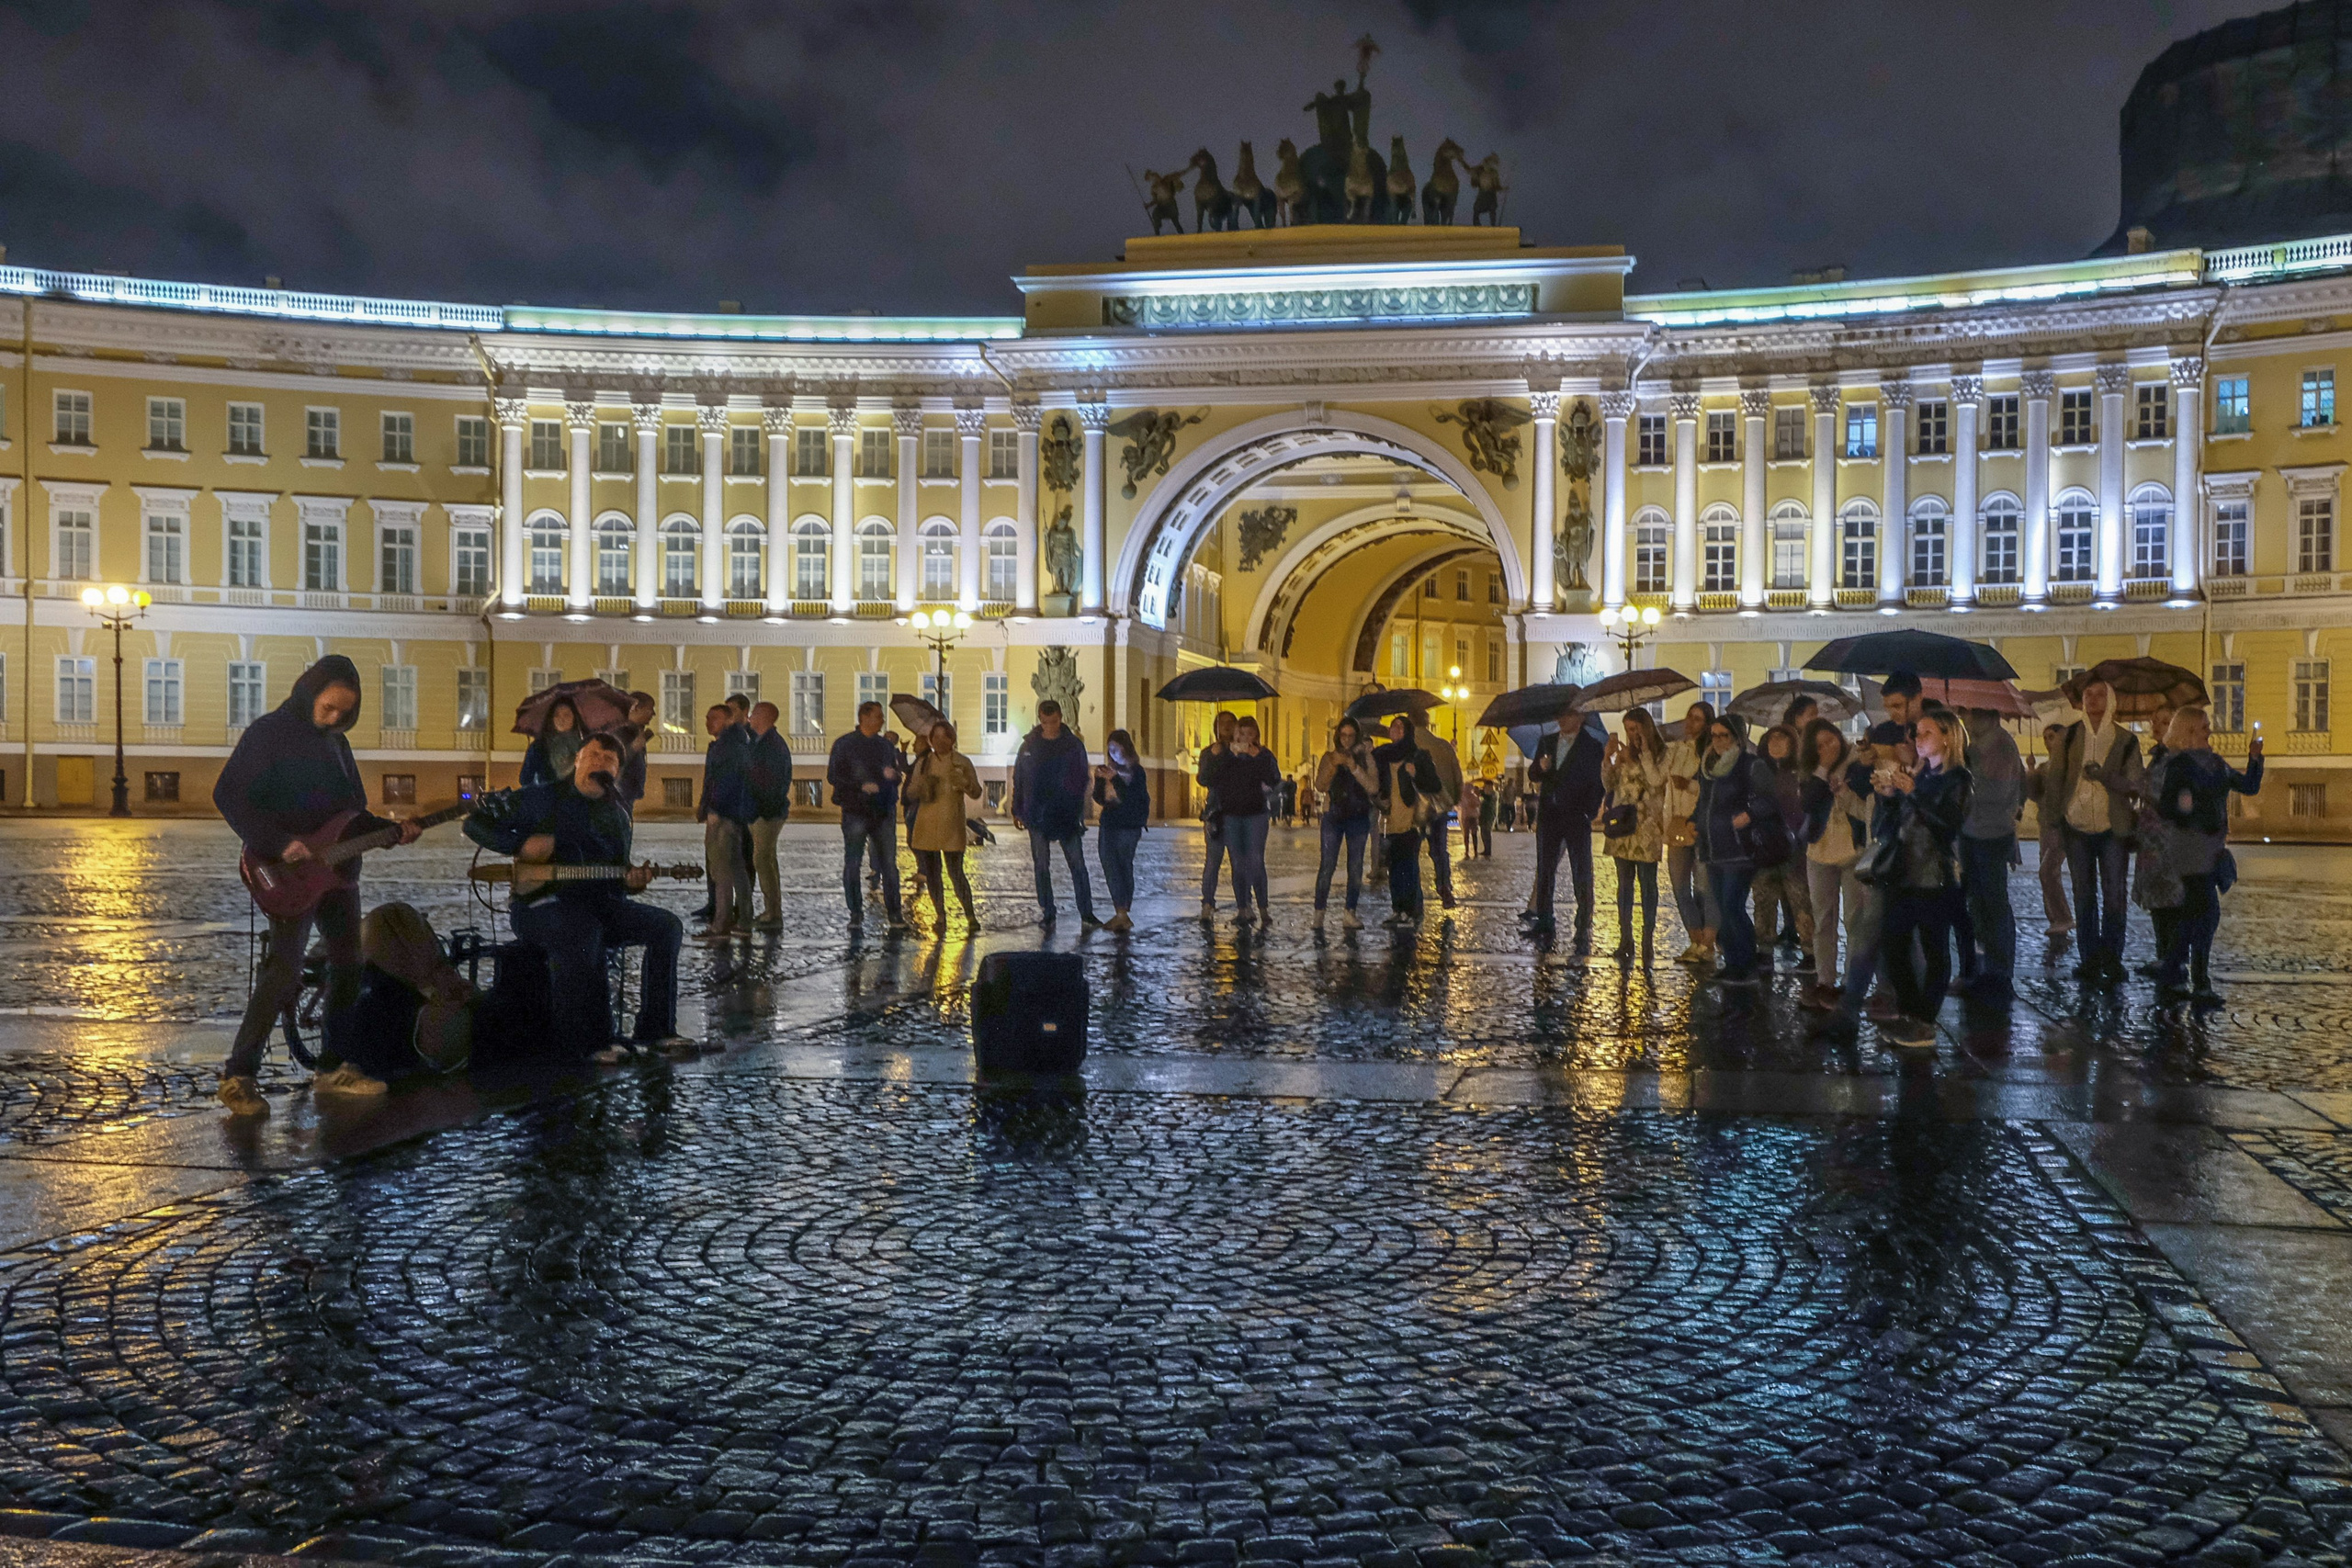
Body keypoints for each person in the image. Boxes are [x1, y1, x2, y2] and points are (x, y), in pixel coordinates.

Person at [212, 655, 422, 1115]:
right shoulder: (269, 734)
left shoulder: (338, 747)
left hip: (338, 874)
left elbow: (352, 813)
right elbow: (228, 795)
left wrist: (391, 832)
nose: (334, 718)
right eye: (328, 708)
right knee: (284, 970)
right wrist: (279, 842)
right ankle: (238, 1075)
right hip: (283, 869)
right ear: (309, 692)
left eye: (344, 713)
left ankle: (333, 1068)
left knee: (349, 965)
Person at [464, 729, 690, 1060]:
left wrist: (633, 882)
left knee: (666, 926)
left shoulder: (617, 814)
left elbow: (617, 876)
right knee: (583, 931)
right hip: (538, 907)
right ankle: (589, 1041)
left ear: (616, 772)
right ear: (577, 760)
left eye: (609, 760)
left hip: (598, 905)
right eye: (594, 755)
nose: (600, 762)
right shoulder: (540, 798)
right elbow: (475, 823)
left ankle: (657, 1030)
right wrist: (519, 845)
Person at [1872, 709, 1974, 1045]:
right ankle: (1912, 1012)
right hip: (1903, 873)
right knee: (1892, 945)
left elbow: (1947, 825)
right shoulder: (1921, 775)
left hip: (1935, 877)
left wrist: (1912, 791)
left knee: (1934, 950)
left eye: (1926, 733)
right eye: (1916, 733)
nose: (1917, 739)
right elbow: (1892, 827)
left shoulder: (1958, 779)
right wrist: (1887, 797)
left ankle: (1924, 1019)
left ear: (1948, 736)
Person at [2153, 707, 2264, 1003]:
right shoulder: (2180, 765)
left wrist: (2255, 759)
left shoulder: (2216, 763)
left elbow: (2248, 787)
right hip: (2189, 847)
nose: (2209, 731)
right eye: (2204, 727)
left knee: (2195, 915)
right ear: (2188, 732)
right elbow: (2166, 808)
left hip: (2212, 846)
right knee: (2207, 913)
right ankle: (2198, 981)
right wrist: (2184, 807)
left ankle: (2173, 968)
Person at [2049, 680, 2143, 985]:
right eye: (2088, 694)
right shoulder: (2069, 735)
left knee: (2114, 895)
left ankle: (2112, 958)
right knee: (2084, 894)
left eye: (2100, 693)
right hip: (2075, 825)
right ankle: (2089, 958)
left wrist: (2106, 777)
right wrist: (2053, 821)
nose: (2092, 699)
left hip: (2112, 827)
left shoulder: (2125, 740)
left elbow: (2134, 784)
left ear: (2111, 699)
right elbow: (2056, 780)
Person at [1953, 706, 2025, 998]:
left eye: (1968, 713)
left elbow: (1995, 793)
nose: (1964, 718)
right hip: (1973, 832)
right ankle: (1982, 970)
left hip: (1991, 835)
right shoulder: (1976, 745)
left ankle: (1998, 974)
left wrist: (1964, 774)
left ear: (1987, 715)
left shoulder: (2000, 745)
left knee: (1993, 905)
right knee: (1978, 906)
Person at [1798, 719, 1870, 1010]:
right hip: (1819, 850)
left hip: (1852, 849)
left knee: (1854, 920)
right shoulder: (1810, 773)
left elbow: (1866, 802)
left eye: (1832, 740)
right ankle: (1825, 981)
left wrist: (1843, 787)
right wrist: (1822, 770)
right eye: (1820, 745)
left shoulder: (1857, 763)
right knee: (1823, 919)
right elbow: (1806, 803)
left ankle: (1851, 984)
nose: (1829, 747)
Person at [1691, 714, 1765, 985]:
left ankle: (1747, 965)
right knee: (1723, 906)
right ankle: (1734, 962)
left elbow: (1768, 800)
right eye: (1715, 735)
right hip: (1712, 847)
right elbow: (1704, 802)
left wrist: (1749, 814)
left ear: (1737, 737)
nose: (1719, 741)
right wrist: (1694, 822)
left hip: (1739, 848)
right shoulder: (1709, 766)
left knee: (1733, 906)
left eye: (1725, 735)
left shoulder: (1749, 764)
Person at [1013, 698, 1099, 927]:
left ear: (1060, 718)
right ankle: (1047, 911)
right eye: (1044, 722)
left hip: (1066, 814)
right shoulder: (1029, 746)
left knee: (1077, 864)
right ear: (1039, 719)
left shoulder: (1072, 745)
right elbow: (1019, 777)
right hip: (1037, 813)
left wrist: (1074, 803)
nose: (1048, 726)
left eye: (1052, 722)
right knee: (1041, 864)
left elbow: (1082, 777)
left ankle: (1086, 912)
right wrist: (1017, 808)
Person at [1528, 700, 1607, 940]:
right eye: (1560, 715)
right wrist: (1541, 767)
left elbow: (1598, 783)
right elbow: (1533, 773)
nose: (1562, 719)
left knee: (1581, 870)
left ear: (1581, 718)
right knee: (1545, 869)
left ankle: (1583, 921)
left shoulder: (1591, 747)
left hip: (1576, 815)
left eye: (1568, 715)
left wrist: (1589, 812)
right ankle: (1544, 919)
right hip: (1549, 815)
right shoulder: (1547, 742)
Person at [827, 700, 904, 931]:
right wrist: (860, 786)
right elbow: (833, 776)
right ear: (865, 717)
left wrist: (894, 776)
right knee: (853, 862)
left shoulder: (885, 746)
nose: (882, 720)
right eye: (878, 716)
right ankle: (855, 912)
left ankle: (895, 913)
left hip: (883, 810)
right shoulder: (845, 744)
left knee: (889, 864)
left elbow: (896, 775)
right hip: (855, 810)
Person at [1600, 707, 1668, 965]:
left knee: (1648, 885)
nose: (1632, 734)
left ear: (1646, 728)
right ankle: (1625, 937)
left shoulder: (1660, 754)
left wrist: (1642, 757)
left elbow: (1656, 781)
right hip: (1623, 827)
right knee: (1624, 885)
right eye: (1628, 729)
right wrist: (1609, 760)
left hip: (1647, 827)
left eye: (1636, 729)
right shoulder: (1624, 754)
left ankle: (1647, 939)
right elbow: (1609, 786)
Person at [1747, 724, 1815, 970]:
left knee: (1801, 902)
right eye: (1772, 739)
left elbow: (1808, 807)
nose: (1776, 743)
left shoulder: (1801, 772)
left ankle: (1810, 952)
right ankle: (1764, 950)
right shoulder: (1756, 771)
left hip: (1794, 850)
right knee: (1764, 901)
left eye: (1782, 739)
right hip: (1764, 846)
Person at [908, 719, 982, 929]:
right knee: (932, 875)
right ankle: (940, 915)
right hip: (927, 825)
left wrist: (964, 782)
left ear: (952, 739)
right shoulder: (924, 763)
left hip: (952, 825)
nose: (940, 741)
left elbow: (976, 792)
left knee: (956, 873)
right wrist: (922, 786)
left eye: (945, 736)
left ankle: (970, 915)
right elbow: (910, 792)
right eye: (936, 737)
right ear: (931, 740)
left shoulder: (962, 762)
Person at [2131, 702, 2182, 981]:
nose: (2156, 726)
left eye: (2164, 721)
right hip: (2151, 840)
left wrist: (2145, 793)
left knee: (2171, 902)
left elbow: (2171, 801)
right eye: (2154, 720)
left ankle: (2174, 960)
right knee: (2158, 903)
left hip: (2169, 841)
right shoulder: (2159, 757)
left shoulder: (2178, 759)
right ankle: (2164, 956)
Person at [1312, 717, 1380, 930]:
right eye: (1343, 735)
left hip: (1359, 816)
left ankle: (1350, 912)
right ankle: (1319, 913)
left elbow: (1373, 787)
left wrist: (1353, 767)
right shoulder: (1329, 757)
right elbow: (1320, 785)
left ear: (1357, 736)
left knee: (1356, 866)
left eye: (1351, 735)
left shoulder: (1366, 758)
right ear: (1337, 736)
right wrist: (1333, 766)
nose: (1347, 740)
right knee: (1327, 866)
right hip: (1334, 816)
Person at [695, 704, 754, 942]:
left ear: (729, 720)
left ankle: (721, 923)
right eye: (708, 718)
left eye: (715, 718)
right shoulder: (735, 743)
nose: (709, 722)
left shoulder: (727, 746)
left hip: (723, 815)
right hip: (733, 814)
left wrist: (714, 809)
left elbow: (723, 781)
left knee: (721, 872)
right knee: (737, 868)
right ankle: (745, 920)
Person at [1662, 702, 1715, 964]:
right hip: (1677, 823)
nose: (1690, 723)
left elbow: (1712, 790)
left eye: (1697, 719)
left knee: (1705, 888)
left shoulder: (1710, 753)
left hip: (1703, 825)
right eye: (1689, 717)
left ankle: (1708, 943)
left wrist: (1690, 785)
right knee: (1680, 886)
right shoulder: (1678, 750)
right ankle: (1695, 941)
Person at [1374, 715, 1436, 927]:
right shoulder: (1382, 755)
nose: (1396, 730)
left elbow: (1433, 785)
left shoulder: (1417, 755)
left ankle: (1410, 911)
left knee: (1407, 868)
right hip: (1390, 820)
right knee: (1394, 868)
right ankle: (1397, 910)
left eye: (1401, 727)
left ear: (1408, 731)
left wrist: (1416, 774)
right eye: (1393, 726)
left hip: (1411, 821)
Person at [1222, 715, 1282, 926]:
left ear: (1255, 735)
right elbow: (1216, 778)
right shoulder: (1228, 754)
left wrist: (1256, 757)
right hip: (1232, 814)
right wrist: (1225, 755)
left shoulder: (1264, 755)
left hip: (1256, 814)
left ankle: (1263, 907)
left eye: (1249, 734)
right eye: (1241, 733)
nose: (1245, 738)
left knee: (1256, 861)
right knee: (1237, 863)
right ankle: (1243, 908)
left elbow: (1274, 779)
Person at [1092, 729, 1150, 931]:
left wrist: (1115, 778)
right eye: (1110, 749)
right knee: (1110, 865)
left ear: (1126, 748)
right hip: (1109, 823)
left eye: (1116, 748)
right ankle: (1121, 912)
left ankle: (1122, 912)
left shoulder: (1136, 771)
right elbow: (1099, 799)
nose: (1113, 753)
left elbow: (1130, 798)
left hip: (1128, 826)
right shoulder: (1110, 769)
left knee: (1124, 866)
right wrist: (1099, 780)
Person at [1409, 712, 1467, 910]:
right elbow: (1457, 776)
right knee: (1440, 851)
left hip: (1414, 807)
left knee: (1411, 852)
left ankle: (1414, 896)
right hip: (1440, 806)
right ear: (1427, 723)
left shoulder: (1407, 746)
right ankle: (1445, 888)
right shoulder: (1444, 746)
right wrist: (1455, 799)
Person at [2028, 725, 2075, 961]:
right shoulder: (2045, 767)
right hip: (2044, 825)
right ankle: (2055, 920)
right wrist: (2030, 771)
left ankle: (2064, 917)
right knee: (2049, 873)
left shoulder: (2068, 766)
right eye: (2045, 737)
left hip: (2060, 826)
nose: (2048, 741)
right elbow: (2035, 795)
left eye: (2052, 737)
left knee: (2047, 871)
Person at [744, 701, 793, 931]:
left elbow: (770, 783)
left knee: (762, 860)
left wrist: (759, 808)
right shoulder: (762, 741)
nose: (750, 717)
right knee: (766, 860)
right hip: (762, 810)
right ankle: (772, 910)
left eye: (754, 714)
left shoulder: (772, 745)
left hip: (767, 812)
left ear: (764, 717)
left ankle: (773, 913)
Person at [1195, 711, 1239, 919]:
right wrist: (1214, 757)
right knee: (1212, 861)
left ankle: (1244, 902)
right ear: (1216, 727)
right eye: (1223, 724)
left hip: (1238, 812)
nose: (1227, 727)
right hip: (1215, 812)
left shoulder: (1241, 751)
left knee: (1239, 861)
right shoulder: (1208, 752)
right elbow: (1204, 779)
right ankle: (1207, 902)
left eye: (1231, 723)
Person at [520, 696, 585, 790]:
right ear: (551, 718)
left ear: (575, 718)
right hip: (547, 799)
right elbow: (525, 779)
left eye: (566, 715)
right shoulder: (539, 746)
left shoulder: (584, 747)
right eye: (556, 715)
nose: (561, 719)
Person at [616, 691, 657, 810]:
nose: (653, 714)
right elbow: (613, 759)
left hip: (627, 791)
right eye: (650, 709)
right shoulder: (621, 730)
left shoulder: (636, 730)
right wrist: (634, 747)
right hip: (620, 791)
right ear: (637, 708)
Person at [1476, 778, 1498, 858]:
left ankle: (1488, 850)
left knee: (1487, 832)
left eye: (1486, 786)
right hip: (1483, 814)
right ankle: (1486, 849)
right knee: (1483, 832)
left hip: (1489, 814)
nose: (1485, 787)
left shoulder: (1494, 793)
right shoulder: (1487, 793)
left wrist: (1480, 792)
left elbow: (1488, 798)